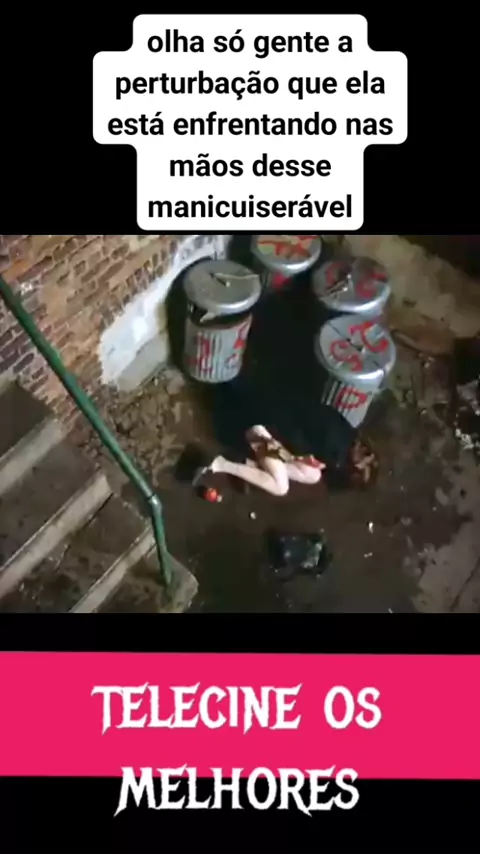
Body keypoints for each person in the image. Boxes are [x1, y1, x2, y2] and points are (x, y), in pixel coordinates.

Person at [194, 424, 326, 497]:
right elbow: (290, 438)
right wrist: (301, 455)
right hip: (261, 433)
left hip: (274, 446)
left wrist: (300, 458)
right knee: (281, 488)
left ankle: (248, 462)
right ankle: (221, 464)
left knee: (313, 475)